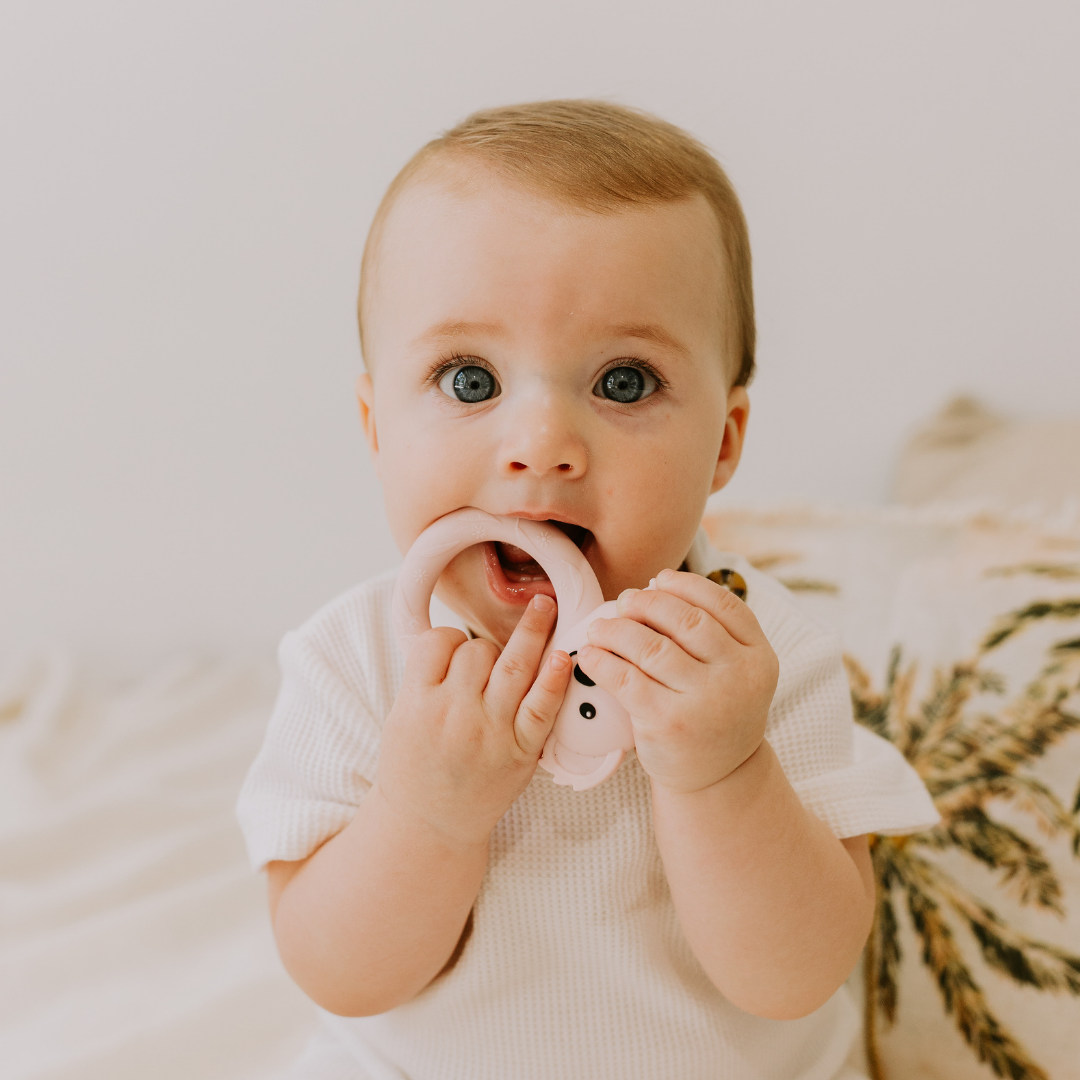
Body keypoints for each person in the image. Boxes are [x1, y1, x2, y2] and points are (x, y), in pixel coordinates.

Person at [236, 100, 938, 1080]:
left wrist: (724, 775)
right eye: (470, 381)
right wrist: (426, 811)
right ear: (376, 425)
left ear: (725, 442)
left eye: (622, 383)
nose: (539, 449)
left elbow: (796, 978)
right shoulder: (353, 662)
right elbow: (340, 975)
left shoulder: (754, 658)